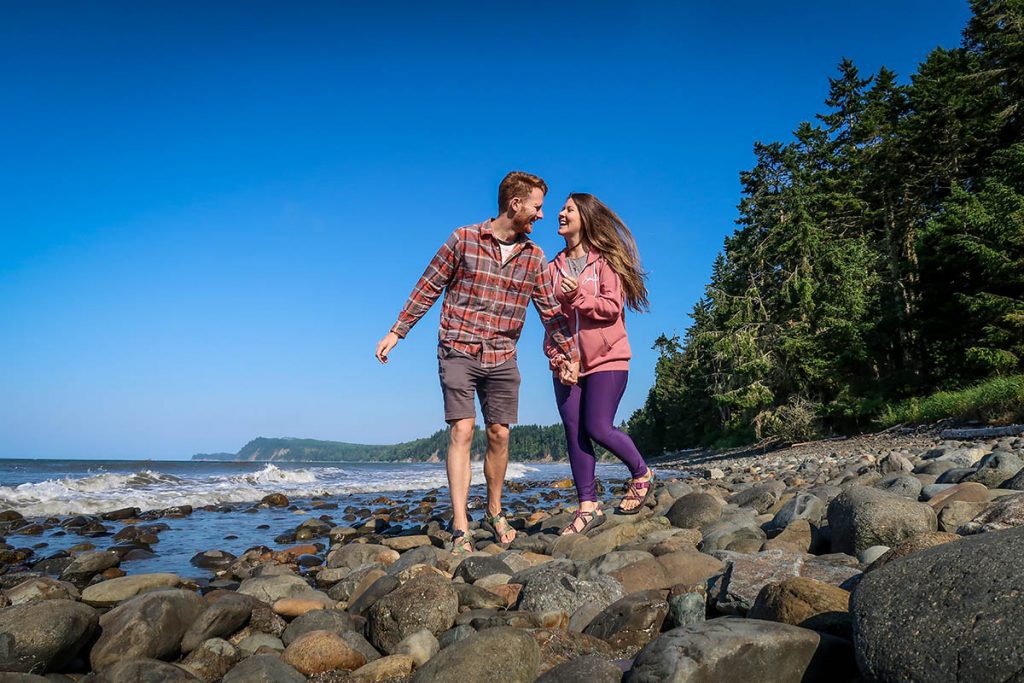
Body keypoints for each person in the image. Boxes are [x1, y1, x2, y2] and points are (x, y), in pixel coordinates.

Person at [376, 171, 580, 557]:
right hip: (458, 348)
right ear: (514, 204)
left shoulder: (534, 257)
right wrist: (397, 332)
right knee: (463, 431)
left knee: (500, 434)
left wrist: (569, 353)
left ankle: (494, 510)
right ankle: (459, 524)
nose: (541, 216)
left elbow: (550, 312)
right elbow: (429, 285)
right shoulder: (463, 239)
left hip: (503, 355)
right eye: (537, 207)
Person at [544, 192, 654, 535]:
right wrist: (557, 356)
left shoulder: (604, 262)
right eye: (562, 209)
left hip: (609, 358)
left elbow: (611, 308)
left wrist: (577, 295)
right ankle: (588, 506)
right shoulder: (551, 269)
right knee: (574, 433)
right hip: (570, 363)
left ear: (585, 219)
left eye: (569, 209)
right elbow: (550, 320)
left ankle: (641, 472)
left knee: (597, 426)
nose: (561, 213)